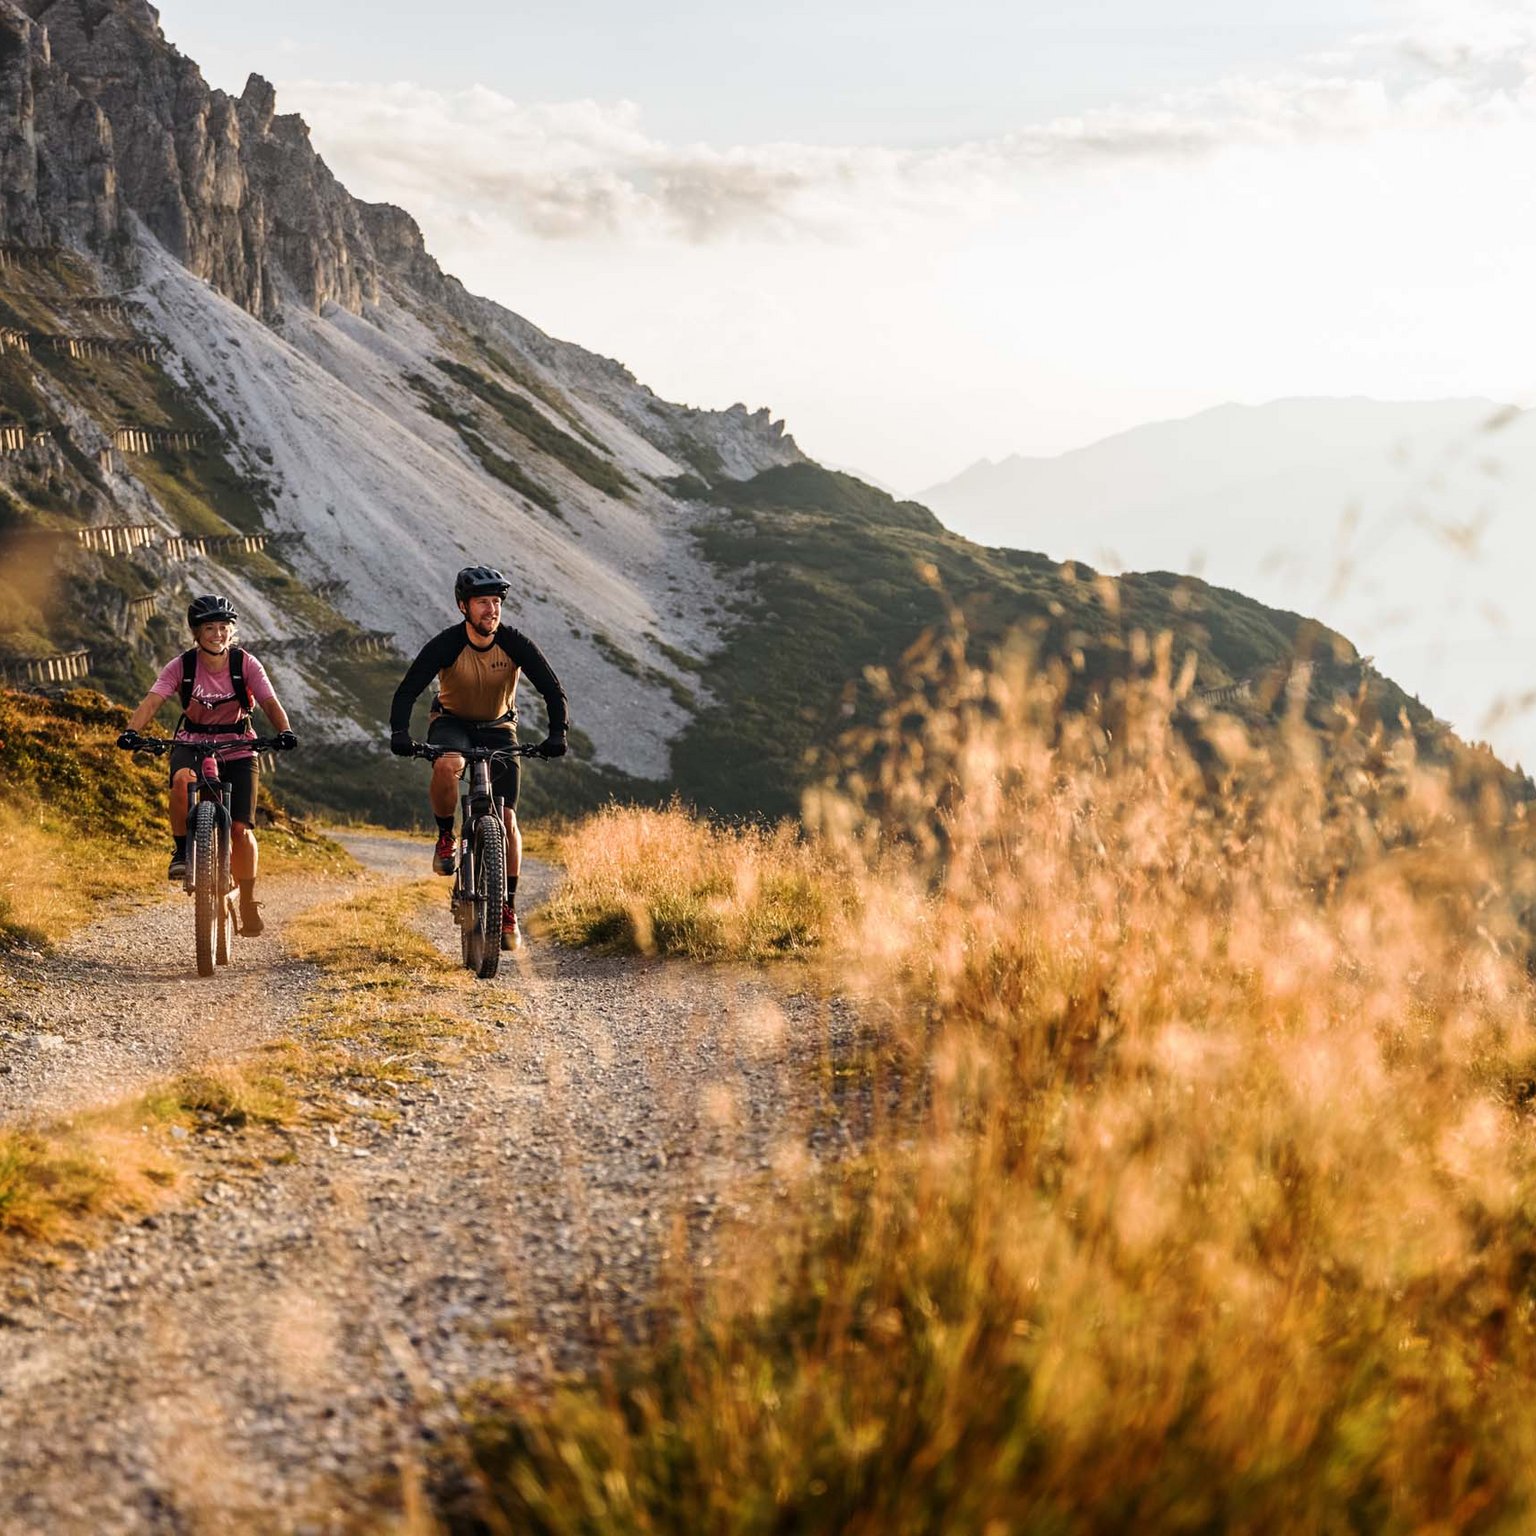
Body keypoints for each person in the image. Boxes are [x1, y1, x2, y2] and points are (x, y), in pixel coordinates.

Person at [389, 565, 568, 951]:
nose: (492, 609)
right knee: (447, 763)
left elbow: (552, 690)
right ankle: (444, 837)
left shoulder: (514, 643)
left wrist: (558, 733)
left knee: (506, 819)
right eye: (483, 602)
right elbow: (408, 690)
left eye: (496, 602)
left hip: (499, 726)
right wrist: (400, 733)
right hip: (451, 723)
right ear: (463, 607)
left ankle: (506, 907)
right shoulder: (447, 644)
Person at [118, 594, 297, 936]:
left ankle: (246, 900)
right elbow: (153, 701)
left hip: (239, 745)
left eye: (224, 628)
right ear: (196, 634)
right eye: (209, 628)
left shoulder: (245, 664)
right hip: (192, 742)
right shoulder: (181, 666)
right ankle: (182, 852)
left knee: (241, 830)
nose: (217, 634)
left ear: (232, 631)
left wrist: (284, 731)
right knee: (182, 780)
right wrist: (131, 731)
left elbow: (270, 701)